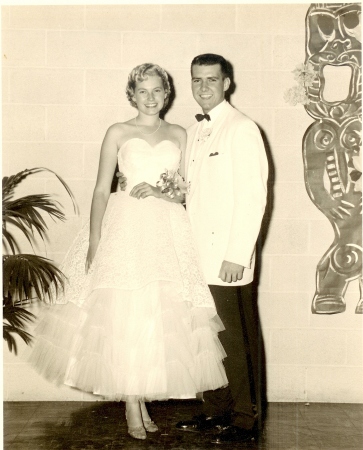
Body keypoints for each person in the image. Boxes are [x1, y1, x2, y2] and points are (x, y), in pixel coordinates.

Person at [27, 63, 228, 441]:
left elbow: (187, 190)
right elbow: (102, 189)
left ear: (166, 95)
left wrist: (162, 192)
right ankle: (132, 405)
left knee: (156, 315)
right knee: (125, 315)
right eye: (143, 91)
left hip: (167, 230)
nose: (150, 98)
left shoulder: (180, 133)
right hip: (125, 229)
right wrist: (95, 239)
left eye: (157, 91)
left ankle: (140, 400)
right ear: (131, 95)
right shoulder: (118, 132)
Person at [175, 53, 269, 444]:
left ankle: (246, 418)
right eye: (197, 80)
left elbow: (253, 197)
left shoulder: (242, 128)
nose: (203, 87)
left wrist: (237, 254)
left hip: (227, 257)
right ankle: (216, 409)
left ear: (227, 83)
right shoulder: (194, 132)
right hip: (197, 254)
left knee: (235, 337)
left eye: (211, 80)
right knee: (208, 337)